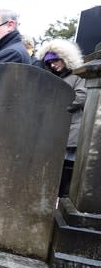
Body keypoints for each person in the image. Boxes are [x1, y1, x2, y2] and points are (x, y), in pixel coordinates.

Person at [36, 39, 87, 197]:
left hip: (72, 129)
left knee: (68, 167)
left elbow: (81, 96)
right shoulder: (54, 77)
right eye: (49, 62)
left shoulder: (78, 76)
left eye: (55, 60)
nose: (52, 65)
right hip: (55, 129)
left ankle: (64, 197)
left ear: (66, 58)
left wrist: (57, 106)